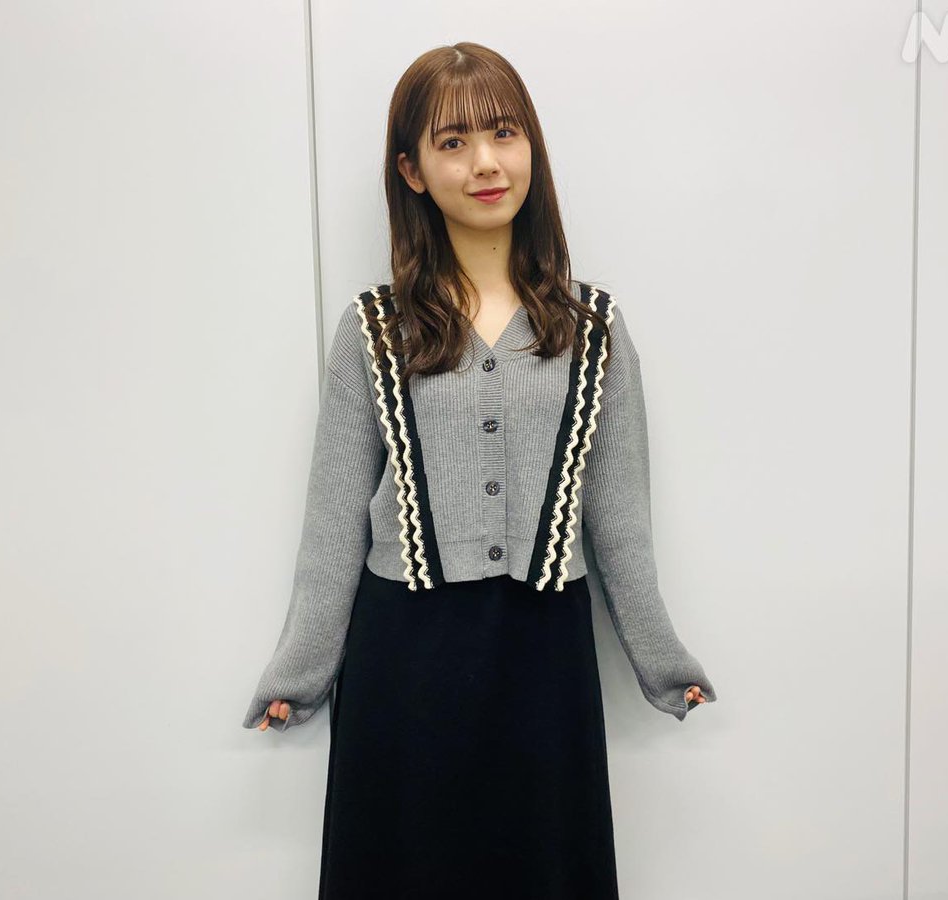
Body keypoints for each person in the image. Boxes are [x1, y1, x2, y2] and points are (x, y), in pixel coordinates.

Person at [241, 40, 718, 900]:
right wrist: (299, 673)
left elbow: (619, 516)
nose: (486, 163)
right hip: (406, 659)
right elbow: (334, 520)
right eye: (452, 142)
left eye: (503, 132)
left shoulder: (593, 328)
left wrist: (662, 660)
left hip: (544, 654)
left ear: (532, 145)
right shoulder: (375, 330)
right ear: (413, 171)